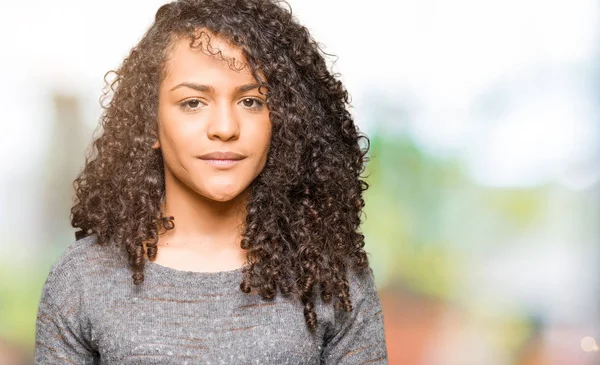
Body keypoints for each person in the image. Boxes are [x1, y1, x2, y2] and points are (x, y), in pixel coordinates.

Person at [34, 0, 389, 363]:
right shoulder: (83, 279)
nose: (224, 128)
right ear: (149, 124)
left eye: (251, 101)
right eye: (193, 103)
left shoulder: (331, 276)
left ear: (283, 121)